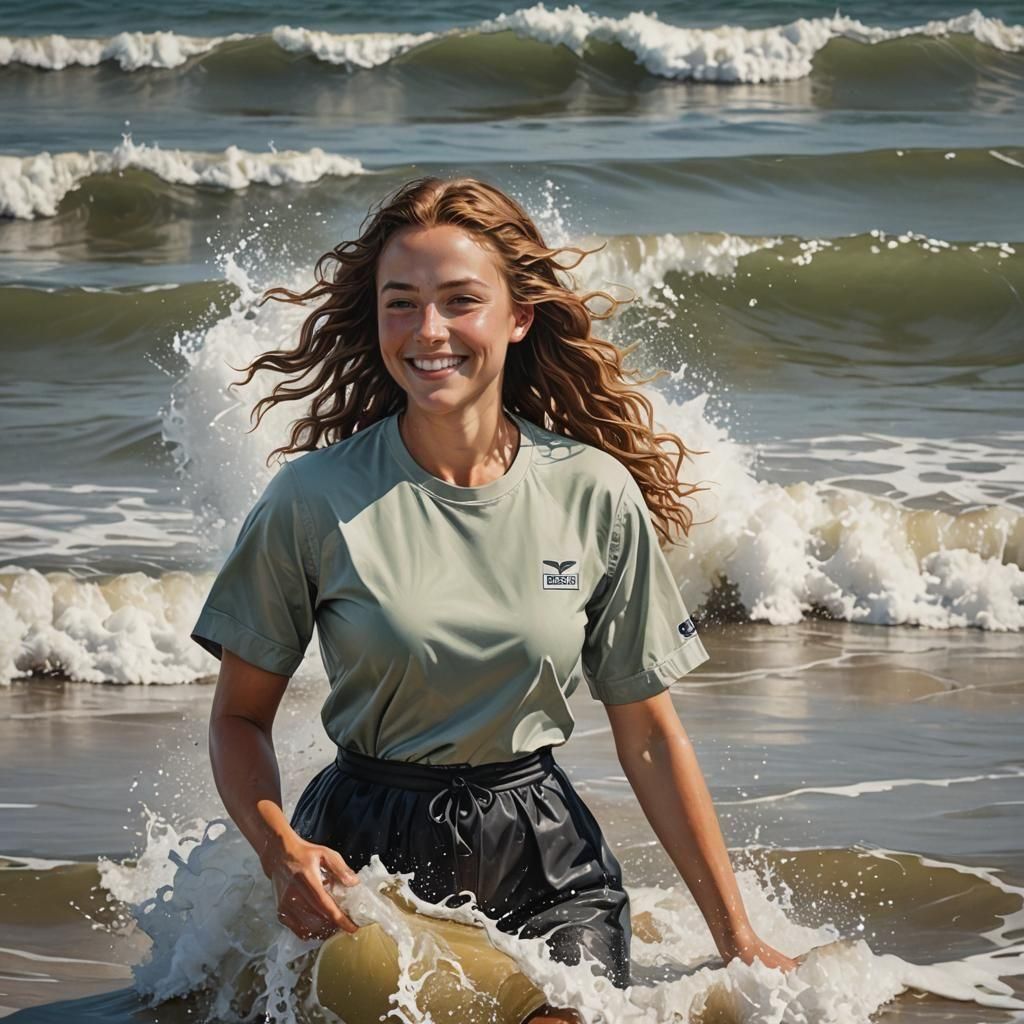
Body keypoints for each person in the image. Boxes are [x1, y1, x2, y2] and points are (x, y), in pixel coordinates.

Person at [191, 176, 798, 1024]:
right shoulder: (314, 499)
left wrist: (737, 936)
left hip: (542, 853)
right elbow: (238, 720)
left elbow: (652, 736)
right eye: (401, 303)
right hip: (369, 854)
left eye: (459, 301)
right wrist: (279, 851)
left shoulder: (592, 493)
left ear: (518, 317)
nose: (428, 331)